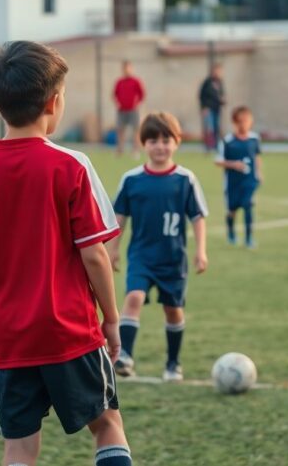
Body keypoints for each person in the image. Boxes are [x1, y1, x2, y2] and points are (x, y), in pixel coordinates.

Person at [0, 41, 132, 466]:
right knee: (106, 425)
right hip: (70, 331)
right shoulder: (72, 165)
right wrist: (113, 319)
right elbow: (95, 255)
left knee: (20, 448)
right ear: (54, 101)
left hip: (9, 336)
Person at [107, 112, 209, 382]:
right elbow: (120, 217)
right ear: (143, 144)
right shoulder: (132, 179)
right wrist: (113, 249)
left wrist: (200, 251)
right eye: (153, 140)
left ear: (177, 142)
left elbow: (198, 217)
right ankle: (125, 355)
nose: (160, 146)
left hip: (173, 259)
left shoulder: (185, 179)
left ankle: (173, 363)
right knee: (133, 298)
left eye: (166, 140)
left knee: (173, 310)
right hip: (141, 255)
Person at [215, 106, 262, 248]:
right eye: (241, 121)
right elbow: (217, 161)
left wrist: (259, 173)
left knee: (248, 206)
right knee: (232, 211)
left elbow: (257, 157)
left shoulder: (254, 139)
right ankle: (231, 233)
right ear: (235, 122)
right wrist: (234, 164)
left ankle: (249, 238)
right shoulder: (227, 141)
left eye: (247, 121)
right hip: (232, 183)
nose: (244, 124)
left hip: (249, 181)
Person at [112, 61, 145, 157]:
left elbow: (142, 94)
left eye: (128, 68)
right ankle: (120, 151)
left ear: (131, 68)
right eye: (124, 68)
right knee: (120, 131)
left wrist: (137, 104)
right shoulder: (119, 82)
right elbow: (114, 94)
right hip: (121, 111)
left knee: (136, 131)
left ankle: (135, 151)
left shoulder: (136, 81)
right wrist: (117, 104)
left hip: (133, 110)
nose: (126, 70)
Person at [198, 63, 226, 153]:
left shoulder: (220, 82)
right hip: (208, 109)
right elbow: (201, 96)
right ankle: (208, 147)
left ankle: (217, 146)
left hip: (217, 109)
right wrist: (204, 108)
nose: (217, 73)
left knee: (216, 127)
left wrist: (223, 100)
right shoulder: (207, 82)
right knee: (209, 128)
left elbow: (221, 94)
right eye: (216, 71)